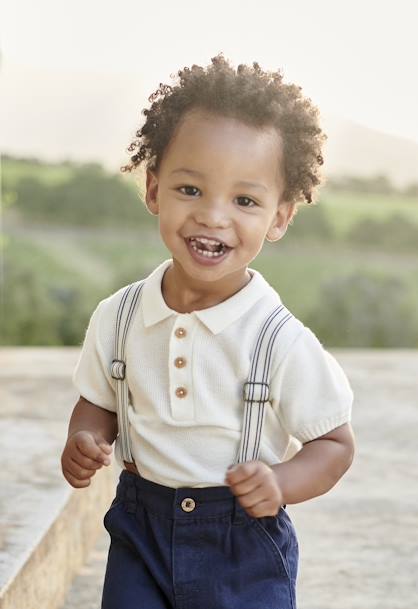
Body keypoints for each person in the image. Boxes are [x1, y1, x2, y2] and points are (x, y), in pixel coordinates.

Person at [61, 53, 356, 609]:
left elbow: (334, 444)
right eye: (190, 190)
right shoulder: (119, 317)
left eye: (245, 200)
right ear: (153, 189)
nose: (213, 216)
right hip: (139, 535)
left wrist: (282, 484)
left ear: (279, 217)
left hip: (242, 545)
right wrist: (85, 440)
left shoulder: (278, 340)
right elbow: (97, 402)